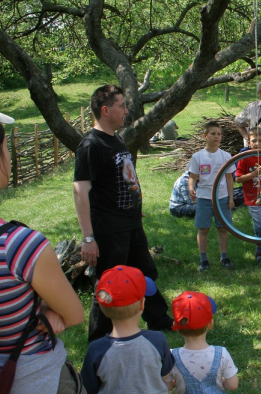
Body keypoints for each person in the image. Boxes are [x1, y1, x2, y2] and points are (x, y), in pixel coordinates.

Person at [0, 87, 84, 393]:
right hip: (35, 380)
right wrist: (49, 315)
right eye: (6, 148)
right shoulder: (19, 246)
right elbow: (74, 313)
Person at [74, 85, 173, 343]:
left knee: (145, 273)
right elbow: (80, 192)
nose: (126, 111)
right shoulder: (91, 145)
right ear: (105, 110)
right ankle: (98, 339)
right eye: (121, 105)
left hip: (129, 224)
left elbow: (120, 178)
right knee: (109, 283)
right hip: (109, 229)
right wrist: (88, 239)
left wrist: (132, 206)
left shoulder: (115, 138)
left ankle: (159, 319)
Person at [81, 265, 175, 394]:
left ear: (102, 308)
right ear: (142, 304)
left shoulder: (96, 350)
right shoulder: (157, 340)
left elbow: (88, 388)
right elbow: (165, 375)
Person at [169, 291, 239, 393]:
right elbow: (232, 385)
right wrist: (222, 381)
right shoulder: (222, 353)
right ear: (210, 324)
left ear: (175, 325)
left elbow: (167, 386)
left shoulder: (171, 357)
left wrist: (176, 382)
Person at [188, 121, 236, 271]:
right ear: (205, 136)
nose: (216, 137)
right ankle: (203, 260)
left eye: (219, 134)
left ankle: (224, 257)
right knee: (203, 229)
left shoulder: (226, 156)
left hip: (221, 198)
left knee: (223, 228)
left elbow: (229, 178)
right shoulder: (198, 157)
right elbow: (193, 176)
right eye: (213, 134)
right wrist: (190, 188)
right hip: (204, 198)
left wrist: (231, 198)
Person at [235, 127, 261, 264]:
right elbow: (238, 178)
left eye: (260, 140)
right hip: (252, 198)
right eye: (254, 141)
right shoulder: (245, 158)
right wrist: (254, 175)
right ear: (248, 142)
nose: (257, 143)